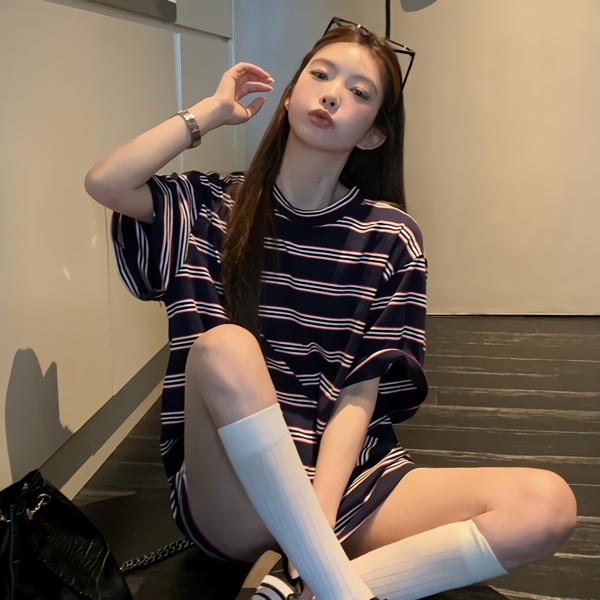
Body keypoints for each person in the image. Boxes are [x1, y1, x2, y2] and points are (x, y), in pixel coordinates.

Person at [84, 18, 577, 600]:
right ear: (289, 94)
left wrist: (318, 519)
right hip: (233, 492)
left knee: (546, 506)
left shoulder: (391, 236)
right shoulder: (207, 205)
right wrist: (209, 113)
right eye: (320, 75)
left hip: (344, 484)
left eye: (359, 92)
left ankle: (304, 582)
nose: (333, 94)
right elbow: (106, 182)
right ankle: (328, 575)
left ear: (373, 135)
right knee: (222, 347)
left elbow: (360, 392)